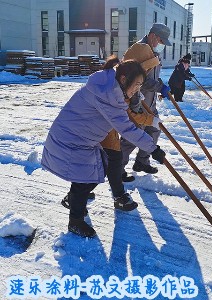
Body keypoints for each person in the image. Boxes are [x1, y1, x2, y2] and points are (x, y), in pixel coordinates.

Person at [41, 57, 167, 238]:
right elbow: (127, 128)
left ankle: (74, 200)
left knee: (93, 173)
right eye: (137, 84)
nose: (138, 89)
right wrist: (153, 148)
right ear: (124, 80)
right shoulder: (107, 95)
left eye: (141, 85)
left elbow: (128, 115)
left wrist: (136, 103)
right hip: (71, 140)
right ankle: (75, 221)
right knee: (85, 179)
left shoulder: (111, 87)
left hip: (79, 139)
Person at [120, 23, 172, 182]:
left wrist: (161, 85)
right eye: (160, 41)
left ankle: (142, 162)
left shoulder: (152, 51)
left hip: (150, 102)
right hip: (138, 102)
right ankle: (117, 169)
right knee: (132, 137)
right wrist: (159, 87)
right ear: (152, 36)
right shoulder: (140, 50)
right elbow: (140, 80)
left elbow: (153, 75)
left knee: (154, 129)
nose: (161, 45)